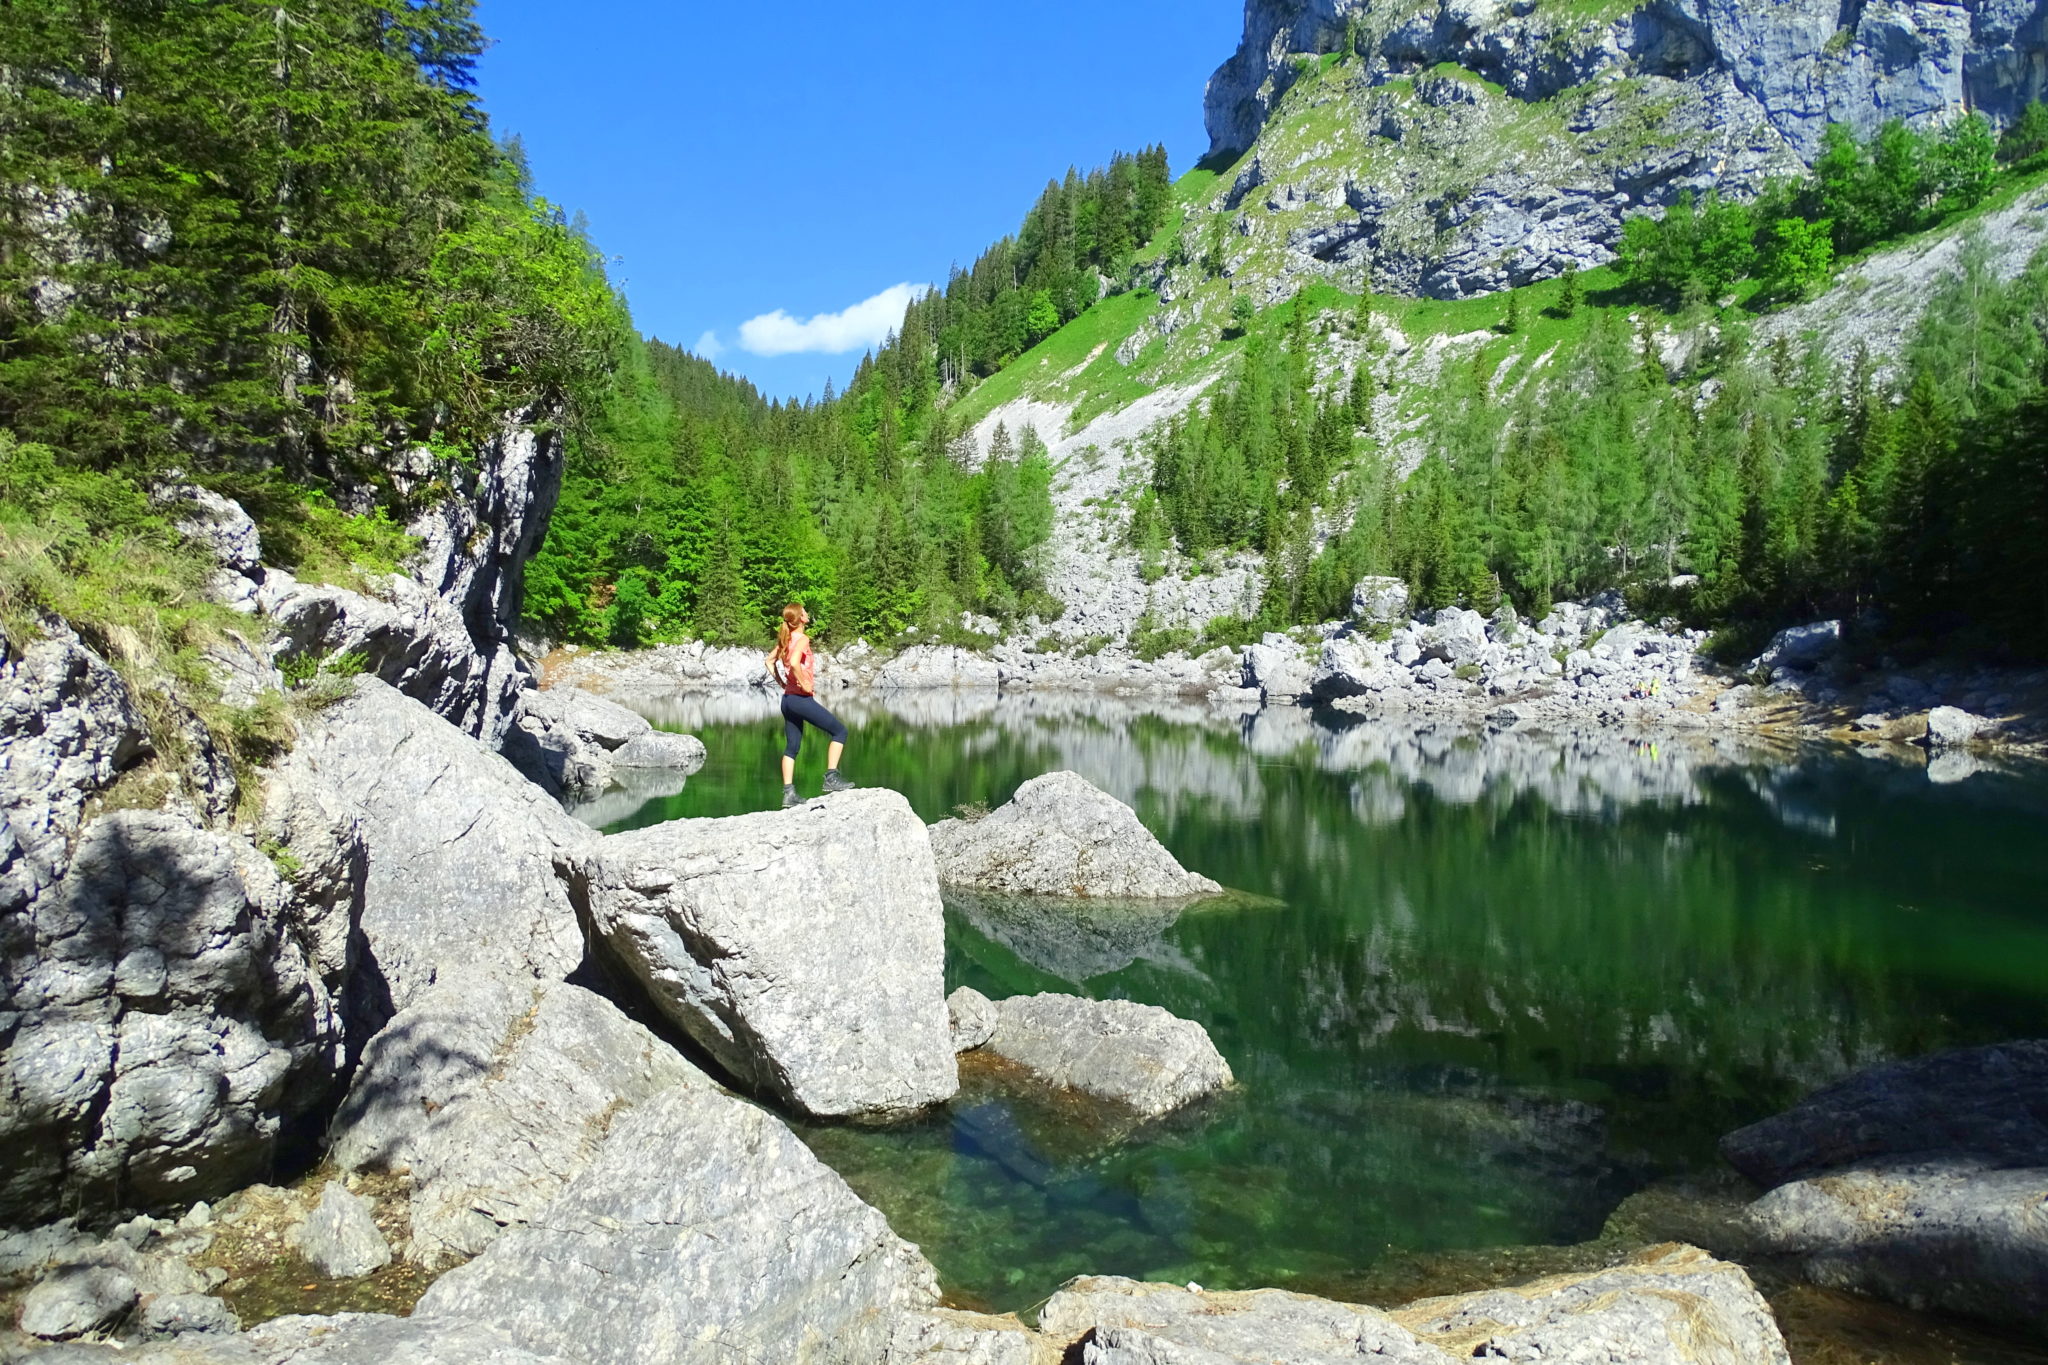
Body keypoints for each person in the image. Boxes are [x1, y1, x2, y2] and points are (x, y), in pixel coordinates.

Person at [766, 603, 854, 808]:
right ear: (801, 618)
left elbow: (769, 662)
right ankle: (831, 777)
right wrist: (804, 683)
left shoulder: (786, 639)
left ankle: (789, 794)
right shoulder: (802, 639)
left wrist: (781, 682)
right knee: (840, 732)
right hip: (800, 700)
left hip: (787, 701)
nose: (807, 614)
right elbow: (795, 662)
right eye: (804, 612)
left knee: (792, 747)